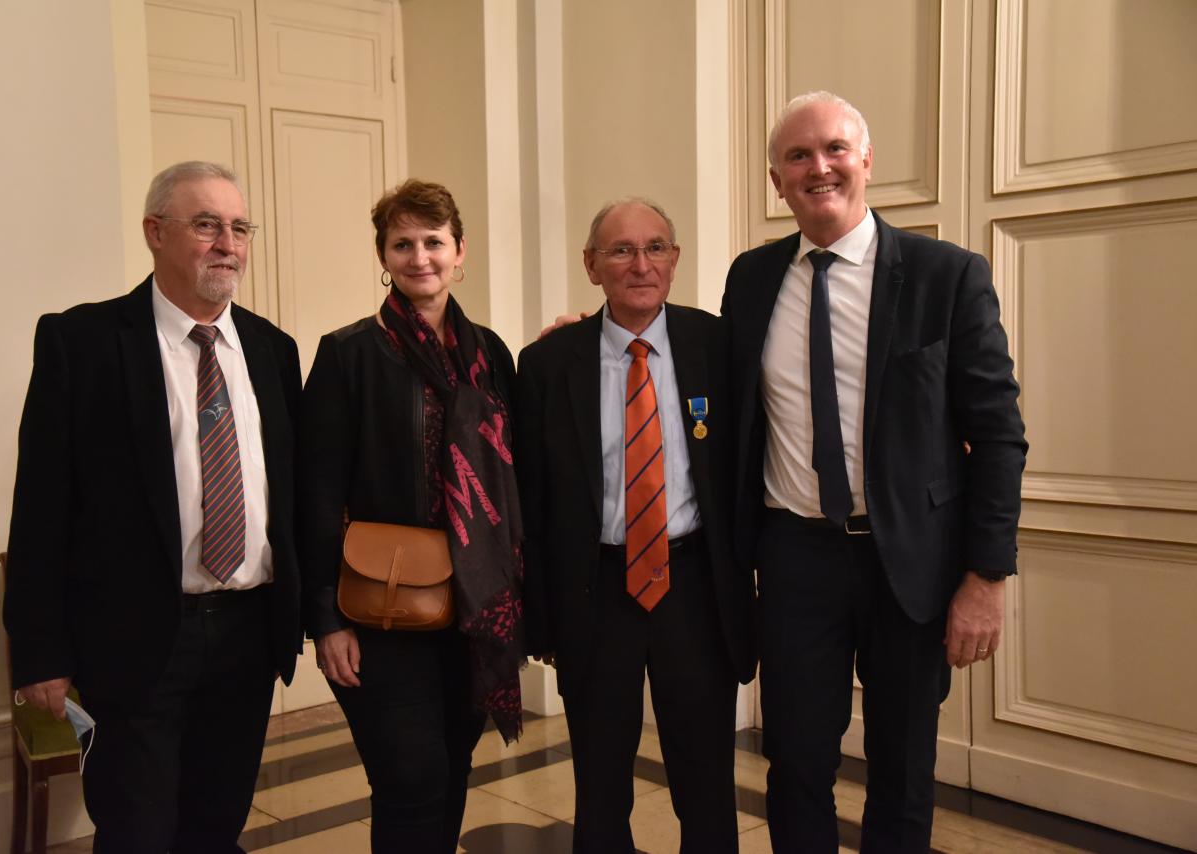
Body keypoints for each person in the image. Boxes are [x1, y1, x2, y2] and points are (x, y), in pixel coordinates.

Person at [722, 91, 1028, 851]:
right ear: (776, 180)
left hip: (912, 567)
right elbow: (713, 385)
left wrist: (985, 579)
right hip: (795, 558)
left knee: (902, 769)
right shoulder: (751, 279)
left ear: (865, 162)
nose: (817, 167)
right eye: (797, 155)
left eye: (833, 149)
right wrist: (590, 339)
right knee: (793, 765)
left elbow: (999, 436)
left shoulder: (946, 276)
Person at [2, 161, 303, 852]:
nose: (227, 243)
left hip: (248, 634)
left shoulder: (272, 350)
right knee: (137, 832)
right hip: (134, 642)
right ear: (154, 233)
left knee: (216, 825)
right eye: (205, 225)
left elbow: (288, 494)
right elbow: (41, 509)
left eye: (238, 227)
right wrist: (40, 652)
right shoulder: (82, 343)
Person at [516, 198, 756, 852]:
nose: (640, 264)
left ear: (675, 261)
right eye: (620, 251)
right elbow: (531, 503)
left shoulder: (719, 346)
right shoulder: (545, 365)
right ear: (592, 266)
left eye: (655, 248)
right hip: (596, 593)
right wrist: (541, 616)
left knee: (706, 782)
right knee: (599, 786)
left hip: (694, 586)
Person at [298, 179, 525, 853]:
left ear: (460, 254)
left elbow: (515, 475)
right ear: (383, 256)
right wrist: (326, 619)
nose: (419, 256)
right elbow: (312, 493)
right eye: (402, 243)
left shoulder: (491, 355)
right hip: (381, 605)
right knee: (410, 774)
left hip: (473, 603)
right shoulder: (349, 354)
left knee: (454, 766)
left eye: (433, 242)